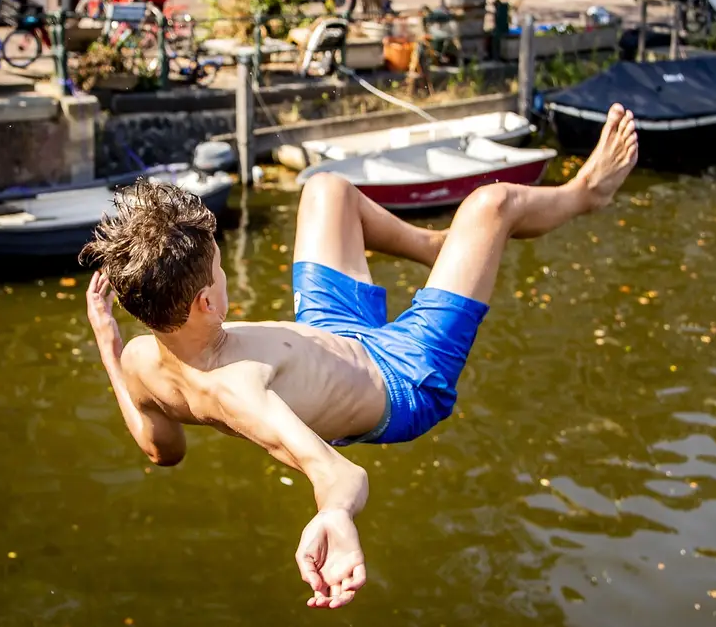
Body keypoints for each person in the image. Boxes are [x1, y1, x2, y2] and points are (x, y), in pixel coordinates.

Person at [80, 105, 639, 610]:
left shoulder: (139, 359)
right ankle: (588, 192)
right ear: (207, 301)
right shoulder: (240, 392)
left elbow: (162, 450)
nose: (225, 277)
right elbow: (338, 474)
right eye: (222, 271)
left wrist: (108, 346)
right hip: (404, 377)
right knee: (494, 204)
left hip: (330, 333)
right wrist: (333, 515)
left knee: (328, 189)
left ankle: (435, 248)